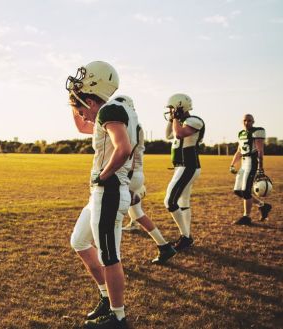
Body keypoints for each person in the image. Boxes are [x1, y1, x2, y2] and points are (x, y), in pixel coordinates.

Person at [67, 61, 136, 329]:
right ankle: (107, 299)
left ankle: (118, 318)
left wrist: (103, 175)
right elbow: (83, 126)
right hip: (102, 194)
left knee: (109, 255)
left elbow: (123, 148)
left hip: (107, 192)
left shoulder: (112, 108)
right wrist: (73, 104)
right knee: (80, 241)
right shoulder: (112, 111)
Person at [115, 96, 177, 265]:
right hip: (136, 173)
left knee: (113, 216)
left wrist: (125, 178)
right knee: (136, 213)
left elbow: (125, 151)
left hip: (129, 173)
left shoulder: (126, 124)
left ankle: (112, 260)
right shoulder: (137, 124)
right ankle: (164, 246)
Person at [163, 93, 205, 251]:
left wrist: (175, 119)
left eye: (172, 108)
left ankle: (186, 237)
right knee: (183, 202)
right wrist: (172, 119)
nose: (171, 111)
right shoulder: (179, 122)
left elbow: (180, 134)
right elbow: (169, 135)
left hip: (188, 166)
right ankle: (186, 236)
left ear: (180, 106)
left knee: (169, 201)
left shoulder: (194, 120)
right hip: (181, 167)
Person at [229, 114, 272, 225]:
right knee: (238, 191)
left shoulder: (257, 131)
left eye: (249, 120)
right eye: (245, 120)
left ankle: (246, 217)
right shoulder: (241, 133)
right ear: (242, 121)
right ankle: (263, 206)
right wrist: (232, 164)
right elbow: (239, 151)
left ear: (253, 121)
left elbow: (260, 151)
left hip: (252, 162)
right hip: (244, 162)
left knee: (246, 191)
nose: (247, 122)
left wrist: (260, 167)